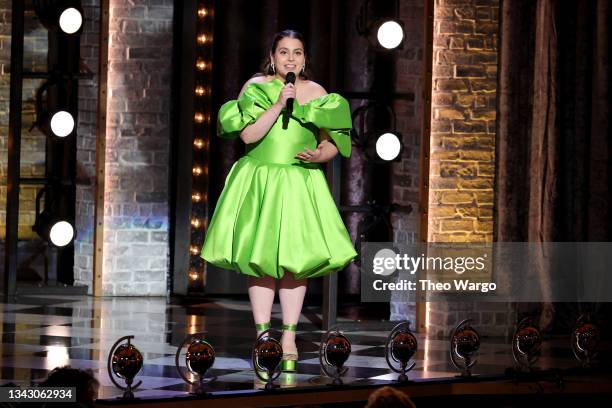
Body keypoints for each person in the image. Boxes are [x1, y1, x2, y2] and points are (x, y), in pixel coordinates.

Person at [200, 29, 357, 372]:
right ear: (272, 57)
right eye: (284, 52)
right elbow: (248, 134)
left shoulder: (318, 94)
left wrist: (319, 154)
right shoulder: (256, 86)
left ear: (305, 59)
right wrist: (277, 105)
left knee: (293, 261)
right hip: (262, 180)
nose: (290, 58)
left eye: (297, 52)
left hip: (299, 181)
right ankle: (263, 335)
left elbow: (333, 143)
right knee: (261, 259)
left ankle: (288, 335)